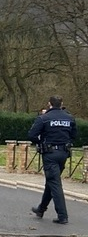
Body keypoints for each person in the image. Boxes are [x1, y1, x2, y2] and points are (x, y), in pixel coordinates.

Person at [28, 96, 77, 224]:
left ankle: (62, 216)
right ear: (62, 103)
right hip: (64, 153)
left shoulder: (44, 118)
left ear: (49, 104)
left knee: (55, 183)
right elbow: (74, 135)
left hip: (50, 154)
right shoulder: (69, 118)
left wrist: (41, 142)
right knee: (51, 181)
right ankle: (41, 209)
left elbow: (32, 135)